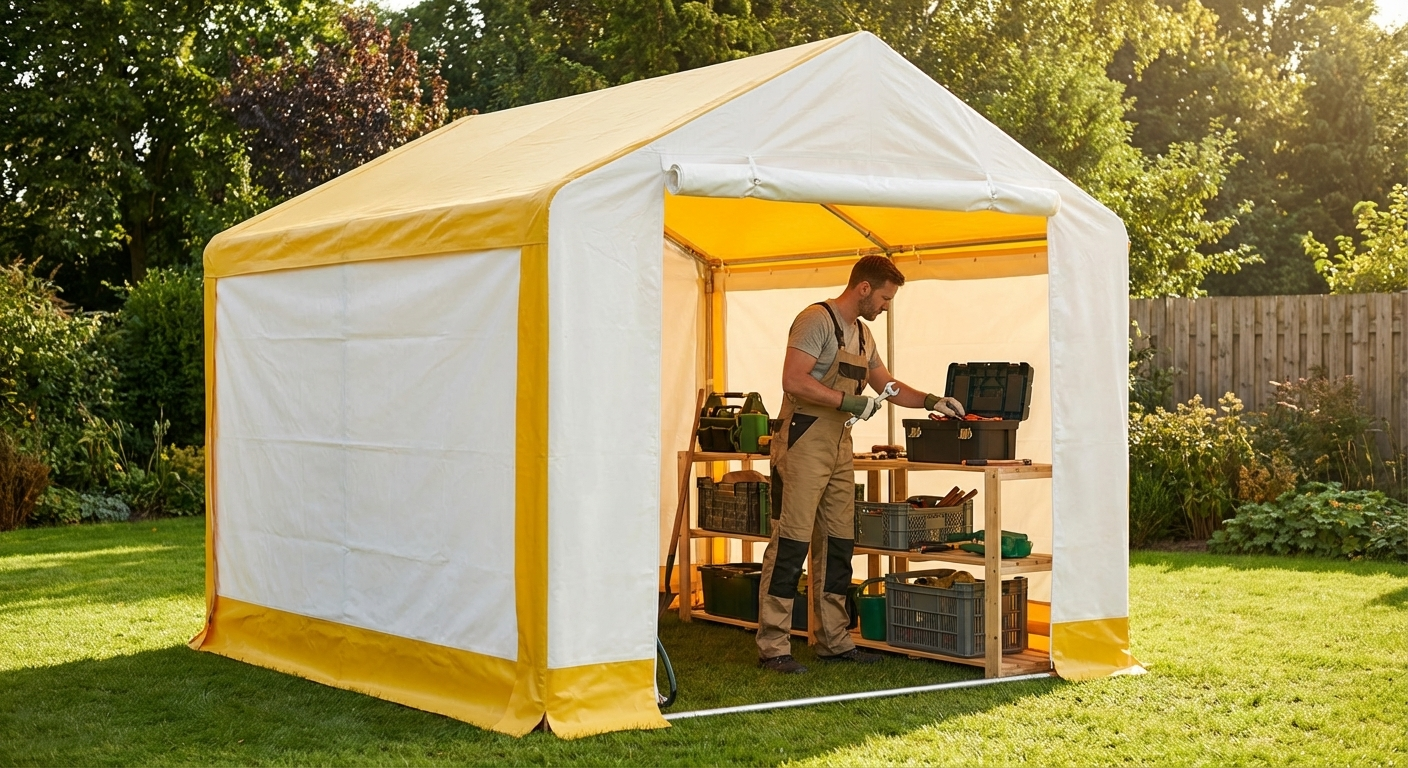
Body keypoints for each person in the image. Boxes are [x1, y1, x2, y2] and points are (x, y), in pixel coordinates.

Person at [756, 255, 966, 673]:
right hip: (802, 442)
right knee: (792, 544)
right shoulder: (815, 321)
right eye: (885, 298)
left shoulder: (864, 335)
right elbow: (793, 380)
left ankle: (834, 641)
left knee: (838, 545)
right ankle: (773, 646)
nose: (887, 307)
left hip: (839, 446)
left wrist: (931, 400)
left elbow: (886, 384)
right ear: (864, 288)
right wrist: (847, 401)